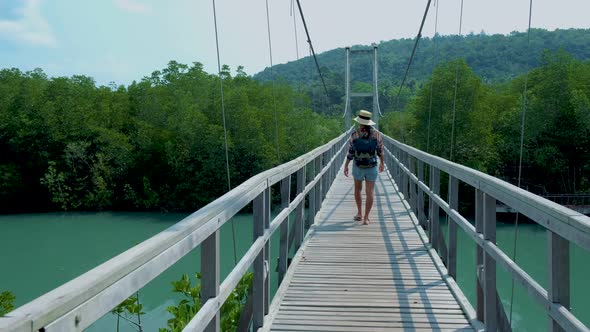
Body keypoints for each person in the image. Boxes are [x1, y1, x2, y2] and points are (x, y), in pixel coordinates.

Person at [343, 110, 384, 225]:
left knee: (357, 190)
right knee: (370, 192)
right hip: (372, 166)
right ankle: (366, 218)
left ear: (359, 122)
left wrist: (346, 165)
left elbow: (351, 152)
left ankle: (359, 213)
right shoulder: (377, 134)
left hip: (358, 166)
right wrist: (382, 163)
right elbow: (380, 151)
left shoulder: (354, 134)